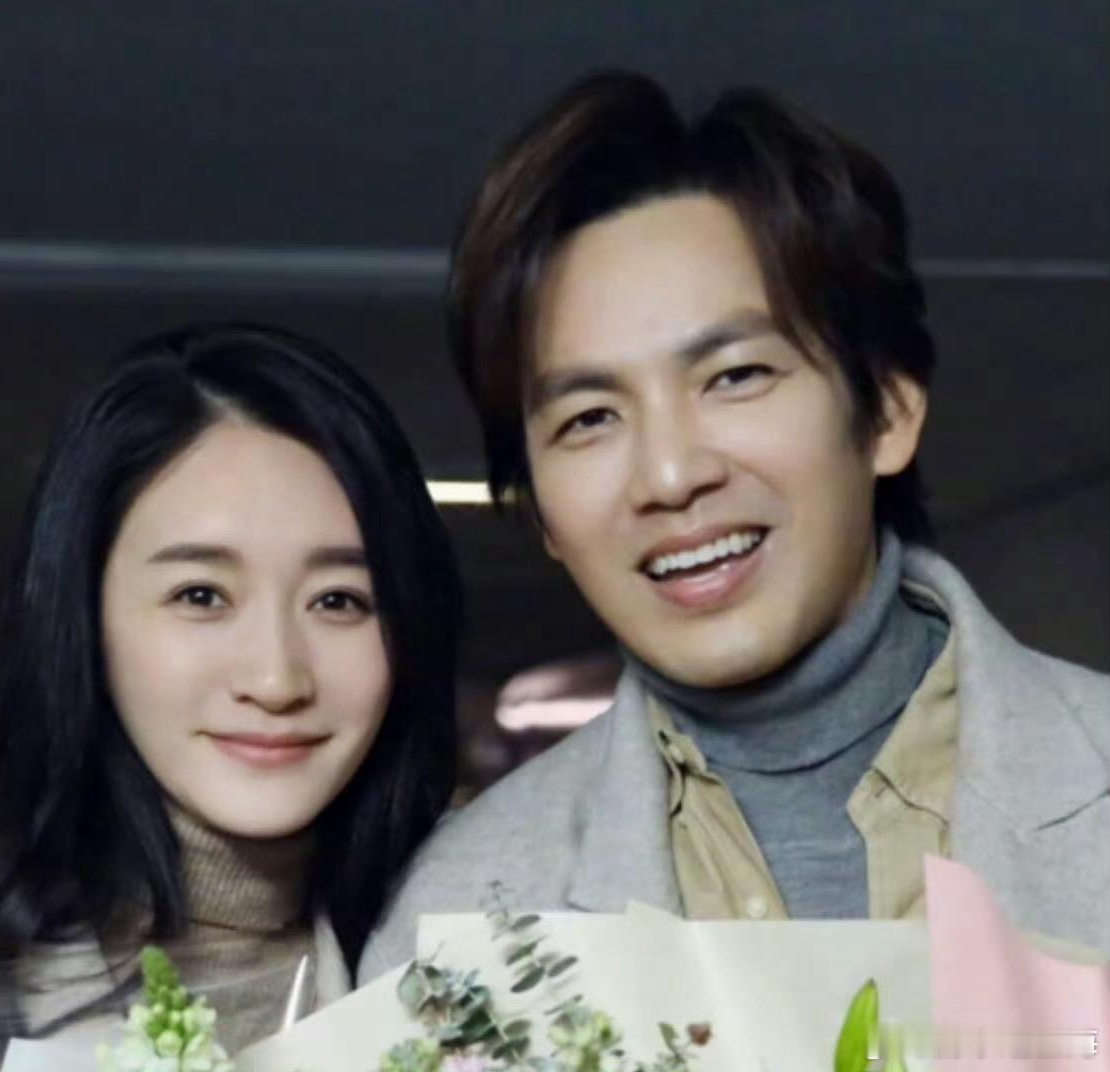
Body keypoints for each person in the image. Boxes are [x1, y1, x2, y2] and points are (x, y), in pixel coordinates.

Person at [359, 72, 1109, 980]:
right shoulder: (455, 921)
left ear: (887, 410)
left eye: (735, 376)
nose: (670, 476)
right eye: (589, 418)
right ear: (542, 511)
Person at [0, 323, 462, 1069]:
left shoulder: (470, 966)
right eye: (201, 595)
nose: (277, 680)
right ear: (85, 617)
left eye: (339, 600)